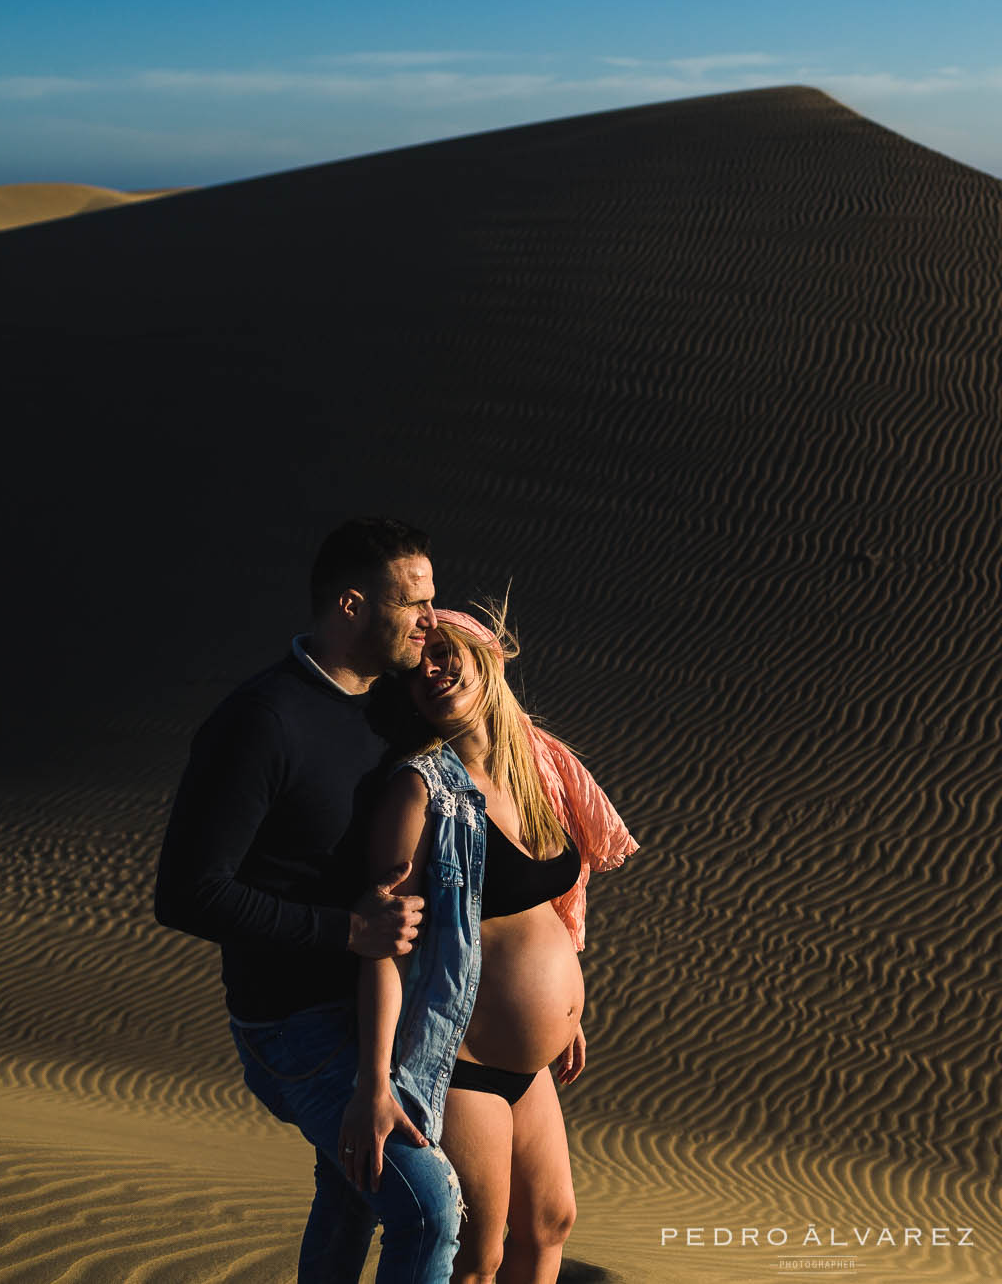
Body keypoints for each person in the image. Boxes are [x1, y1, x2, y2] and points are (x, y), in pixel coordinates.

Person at [155, 516, 459, 1283]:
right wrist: (345, 929)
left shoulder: (395, 705)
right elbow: (188, 893)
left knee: (352, 1193)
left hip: (383, 1012)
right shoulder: (262, 722)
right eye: (412, 603)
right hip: (296, 1028)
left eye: (435, 599)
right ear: (351, 605)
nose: (432, 620)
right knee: (426, 1209)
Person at [339, 607, 639, 1284]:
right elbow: (384, 944)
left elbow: (558, 898)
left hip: (532, 1064)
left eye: (449, 652)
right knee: (479, 1256)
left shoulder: (539, 766)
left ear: (490, 656)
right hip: (461, 1059)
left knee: (549, 1223)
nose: (434, 670)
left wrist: (565, 1011)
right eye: (421, 667)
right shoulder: (420, 791)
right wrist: (375, 1082)